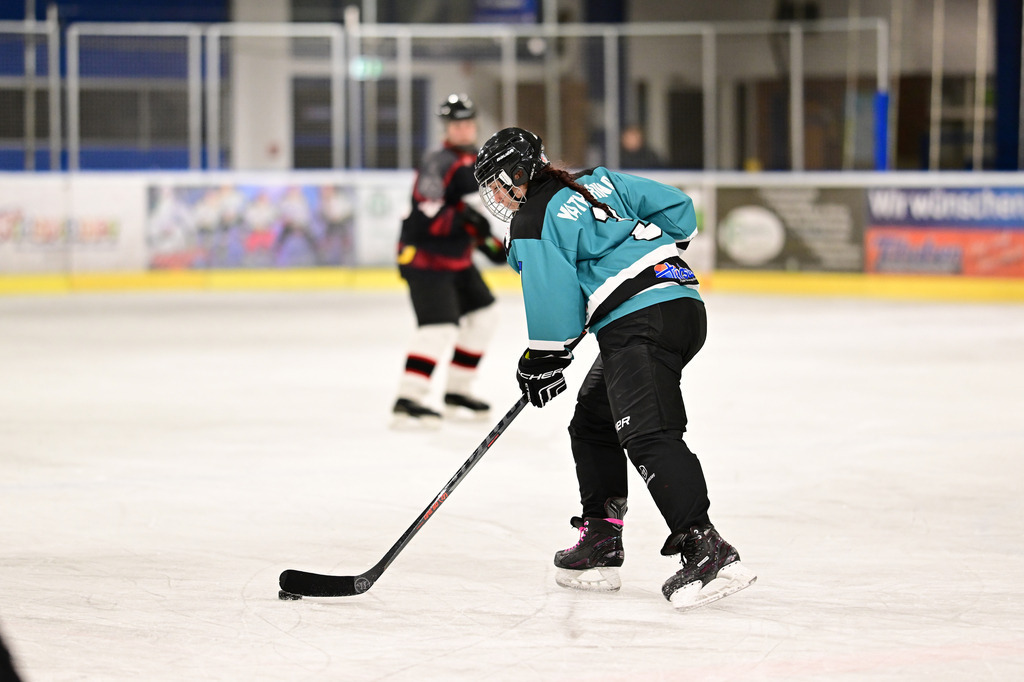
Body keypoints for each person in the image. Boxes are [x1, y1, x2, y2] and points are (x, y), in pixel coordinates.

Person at [473, 127, 756, 610]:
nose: (495, 195)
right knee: (594, 421)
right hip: (683, 306)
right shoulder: (598, 181)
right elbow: (679, 212)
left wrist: (542, 357)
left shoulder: (533, 219)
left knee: (647, 433)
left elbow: (553, 307)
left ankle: (706, 549)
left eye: (498, 182)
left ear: (519, 173)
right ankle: (601, 540)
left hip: (639, 323)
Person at [392, 94, 506, 427]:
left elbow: (479, 215)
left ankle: (457, 391)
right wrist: (467, 223)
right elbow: (426, 213)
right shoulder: (438, 161)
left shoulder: (478, 162)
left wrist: (489, 243)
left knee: (485, 315)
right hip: (426, 261)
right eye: (457, 124)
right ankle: (408, 399)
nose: (464, 129)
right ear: (447, 127)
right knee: (438, 327)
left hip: (457, 261)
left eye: (469, 122)